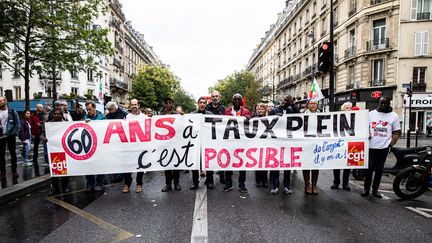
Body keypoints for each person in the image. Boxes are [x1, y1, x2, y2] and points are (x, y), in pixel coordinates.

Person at [361, 97, 401, 198]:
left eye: (385, 103)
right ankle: (366, 188)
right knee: (369, 168)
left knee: (379, 170)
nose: (382, 105)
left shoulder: (394, 116)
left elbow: (397, 132)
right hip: (371, 146)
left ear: (389, 104)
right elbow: (364, 127)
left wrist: (391, 143)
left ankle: (375, 190)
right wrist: (367, 134)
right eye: (381, 103)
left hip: (384, 147)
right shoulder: (371, 114)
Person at [269, 95, 300, 194]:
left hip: (288, 141)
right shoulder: (275, 110)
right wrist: (275, 118)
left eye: (288, 100)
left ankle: (286, 186)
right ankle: (275, 185)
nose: (286, 102)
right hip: (276, 141)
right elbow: (268, 122)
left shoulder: (291, 110)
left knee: (287, 164)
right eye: (285, 100)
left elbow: (299, 116)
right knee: (276, 164)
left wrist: (293, 104)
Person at [223, 93, 251, 193]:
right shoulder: (227, 111)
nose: (237, 101)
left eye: (239, 99)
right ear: (232, 101)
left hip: (242, 142)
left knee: (242, 163)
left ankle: (242, 184)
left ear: (241, 101)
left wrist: (249, 119)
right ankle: (229, 183)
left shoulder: (246, 111)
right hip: (230, 141)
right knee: (229, 162)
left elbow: (251, 124)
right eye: (235, 99)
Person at [190, 97, 214, 190]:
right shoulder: (192, 115)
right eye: (201, 102)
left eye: (204, 103)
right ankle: (195, 182)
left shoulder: (210, 114)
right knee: (195, 162)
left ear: (206, 104)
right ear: (198, 103)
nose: (202, 104)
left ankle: (210, 181)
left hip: (207, 142)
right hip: (196, 142)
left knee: (209, 162)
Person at [123, 99, 146, 193]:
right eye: (132, 104)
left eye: (135, 104)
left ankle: (139, 184)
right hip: (129, 146)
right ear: (130, 106)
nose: (134, 106)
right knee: (128, 164)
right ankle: (127, 183)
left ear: (138, 105)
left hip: (140, 145)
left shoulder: (144, 117)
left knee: (140, 165)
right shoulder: (126, 117)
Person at [84, 100, 106, 192]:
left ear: (94, 108)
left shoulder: (102, 117)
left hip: (100, 145)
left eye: (90, 109)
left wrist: (93, 122)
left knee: (100, 164)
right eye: (87, 110)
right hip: (88, 146)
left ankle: (99, 183)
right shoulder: (84, 117)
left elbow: (104, 128)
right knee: (88, 165)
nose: (88, 111)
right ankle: (90, 184)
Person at [47, 108, 70, 195]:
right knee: (54, 169)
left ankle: (65, 186)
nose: (56, 115)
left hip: (64, 149)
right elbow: (42, 133)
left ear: (61, 115)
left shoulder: (66, 124)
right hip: (53, 149)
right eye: (55, 114)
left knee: (64, 169)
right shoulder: (49, 124)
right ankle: (55, 187)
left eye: (58, 114)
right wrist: (43, 137)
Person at [160, 97, 181, 192]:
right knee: (167, 165)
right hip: (165, 143)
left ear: (173, 104)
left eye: (170, 103)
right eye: (167, 103)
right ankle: (168, 184)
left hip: (175, 143)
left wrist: (183, 116)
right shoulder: (160, 115)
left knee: (176, 164)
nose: (169, 104)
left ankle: (176, 183)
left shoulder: (177, 115)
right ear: (165, 105)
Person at [205, 90, 226, 184]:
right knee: (209, 157)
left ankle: (222, 177)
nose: (215, 98)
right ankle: (209, 179)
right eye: (213, 96)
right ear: (211, 98)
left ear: (219, 97)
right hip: (209, 136)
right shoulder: (206, 108)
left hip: (220, 136)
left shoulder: (223, 108)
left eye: (216, 96)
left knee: (221, 156)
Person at [331, 102, 352, 191]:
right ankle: (336, 182)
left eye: (350, 108)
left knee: (347, 165)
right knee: (337, 164)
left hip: (350, 144)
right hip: (338, 143)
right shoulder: (337, 118)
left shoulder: (354, 118)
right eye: (347, 108)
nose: (349, 110)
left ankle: (345, 184)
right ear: (343, 109)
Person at [0, 96, 20, 188]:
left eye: (1, 101)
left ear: (5, 101)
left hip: (10, 135)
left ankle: (14, 171)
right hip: (1, 136)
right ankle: (2, 173)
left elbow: (17, 124)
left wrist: (14, 133)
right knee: (1, 155)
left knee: (13, 154)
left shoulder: (12, 112)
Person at [105, 101, 128, 183]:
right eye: (109, 109)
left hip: (122, 139)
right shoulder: (107, 116)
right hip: (112, 140)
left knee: (121, 157)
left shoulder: (124, 114)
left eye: (111, 109)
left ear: (115, 107)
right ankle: (116, 175)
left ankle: (120, 175)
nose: (110, 111)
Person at [303, 99, 320, 195]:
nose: (313, 105)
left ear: (317, 105)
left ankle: (314, 185)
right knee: (306, 164)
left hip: (317, 143)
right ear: (308, 105)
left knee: (316, 164)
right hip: (306, 142)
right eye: (311, 103)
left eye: (315, 103)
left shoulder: (321, 114)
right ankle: (307, 185)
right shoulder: (303, 114)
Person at [254, 103, 269, 188]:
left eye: (262, 109)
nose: (260, 111)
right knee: (258, 163)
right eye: (259, 109)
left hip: (266, 143)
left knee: (265, 163)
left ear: (265, 110)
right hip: (257, 143)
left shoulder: (269, 119)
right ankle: (258, 180)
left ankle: (264, 181)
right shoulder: (254, 119)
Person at [30, 104, 44, 175]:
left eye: (42, 107)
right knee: (36, 146)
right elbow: (32, 125)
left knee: (45, 146)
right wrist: (32, 133)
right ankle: (35, 158)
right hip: (37, 133)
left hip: (42, 132)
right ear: (37, 108)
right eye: (40, 107)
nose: (42, 108)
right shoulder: (33, 115)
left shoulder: (43, 114)